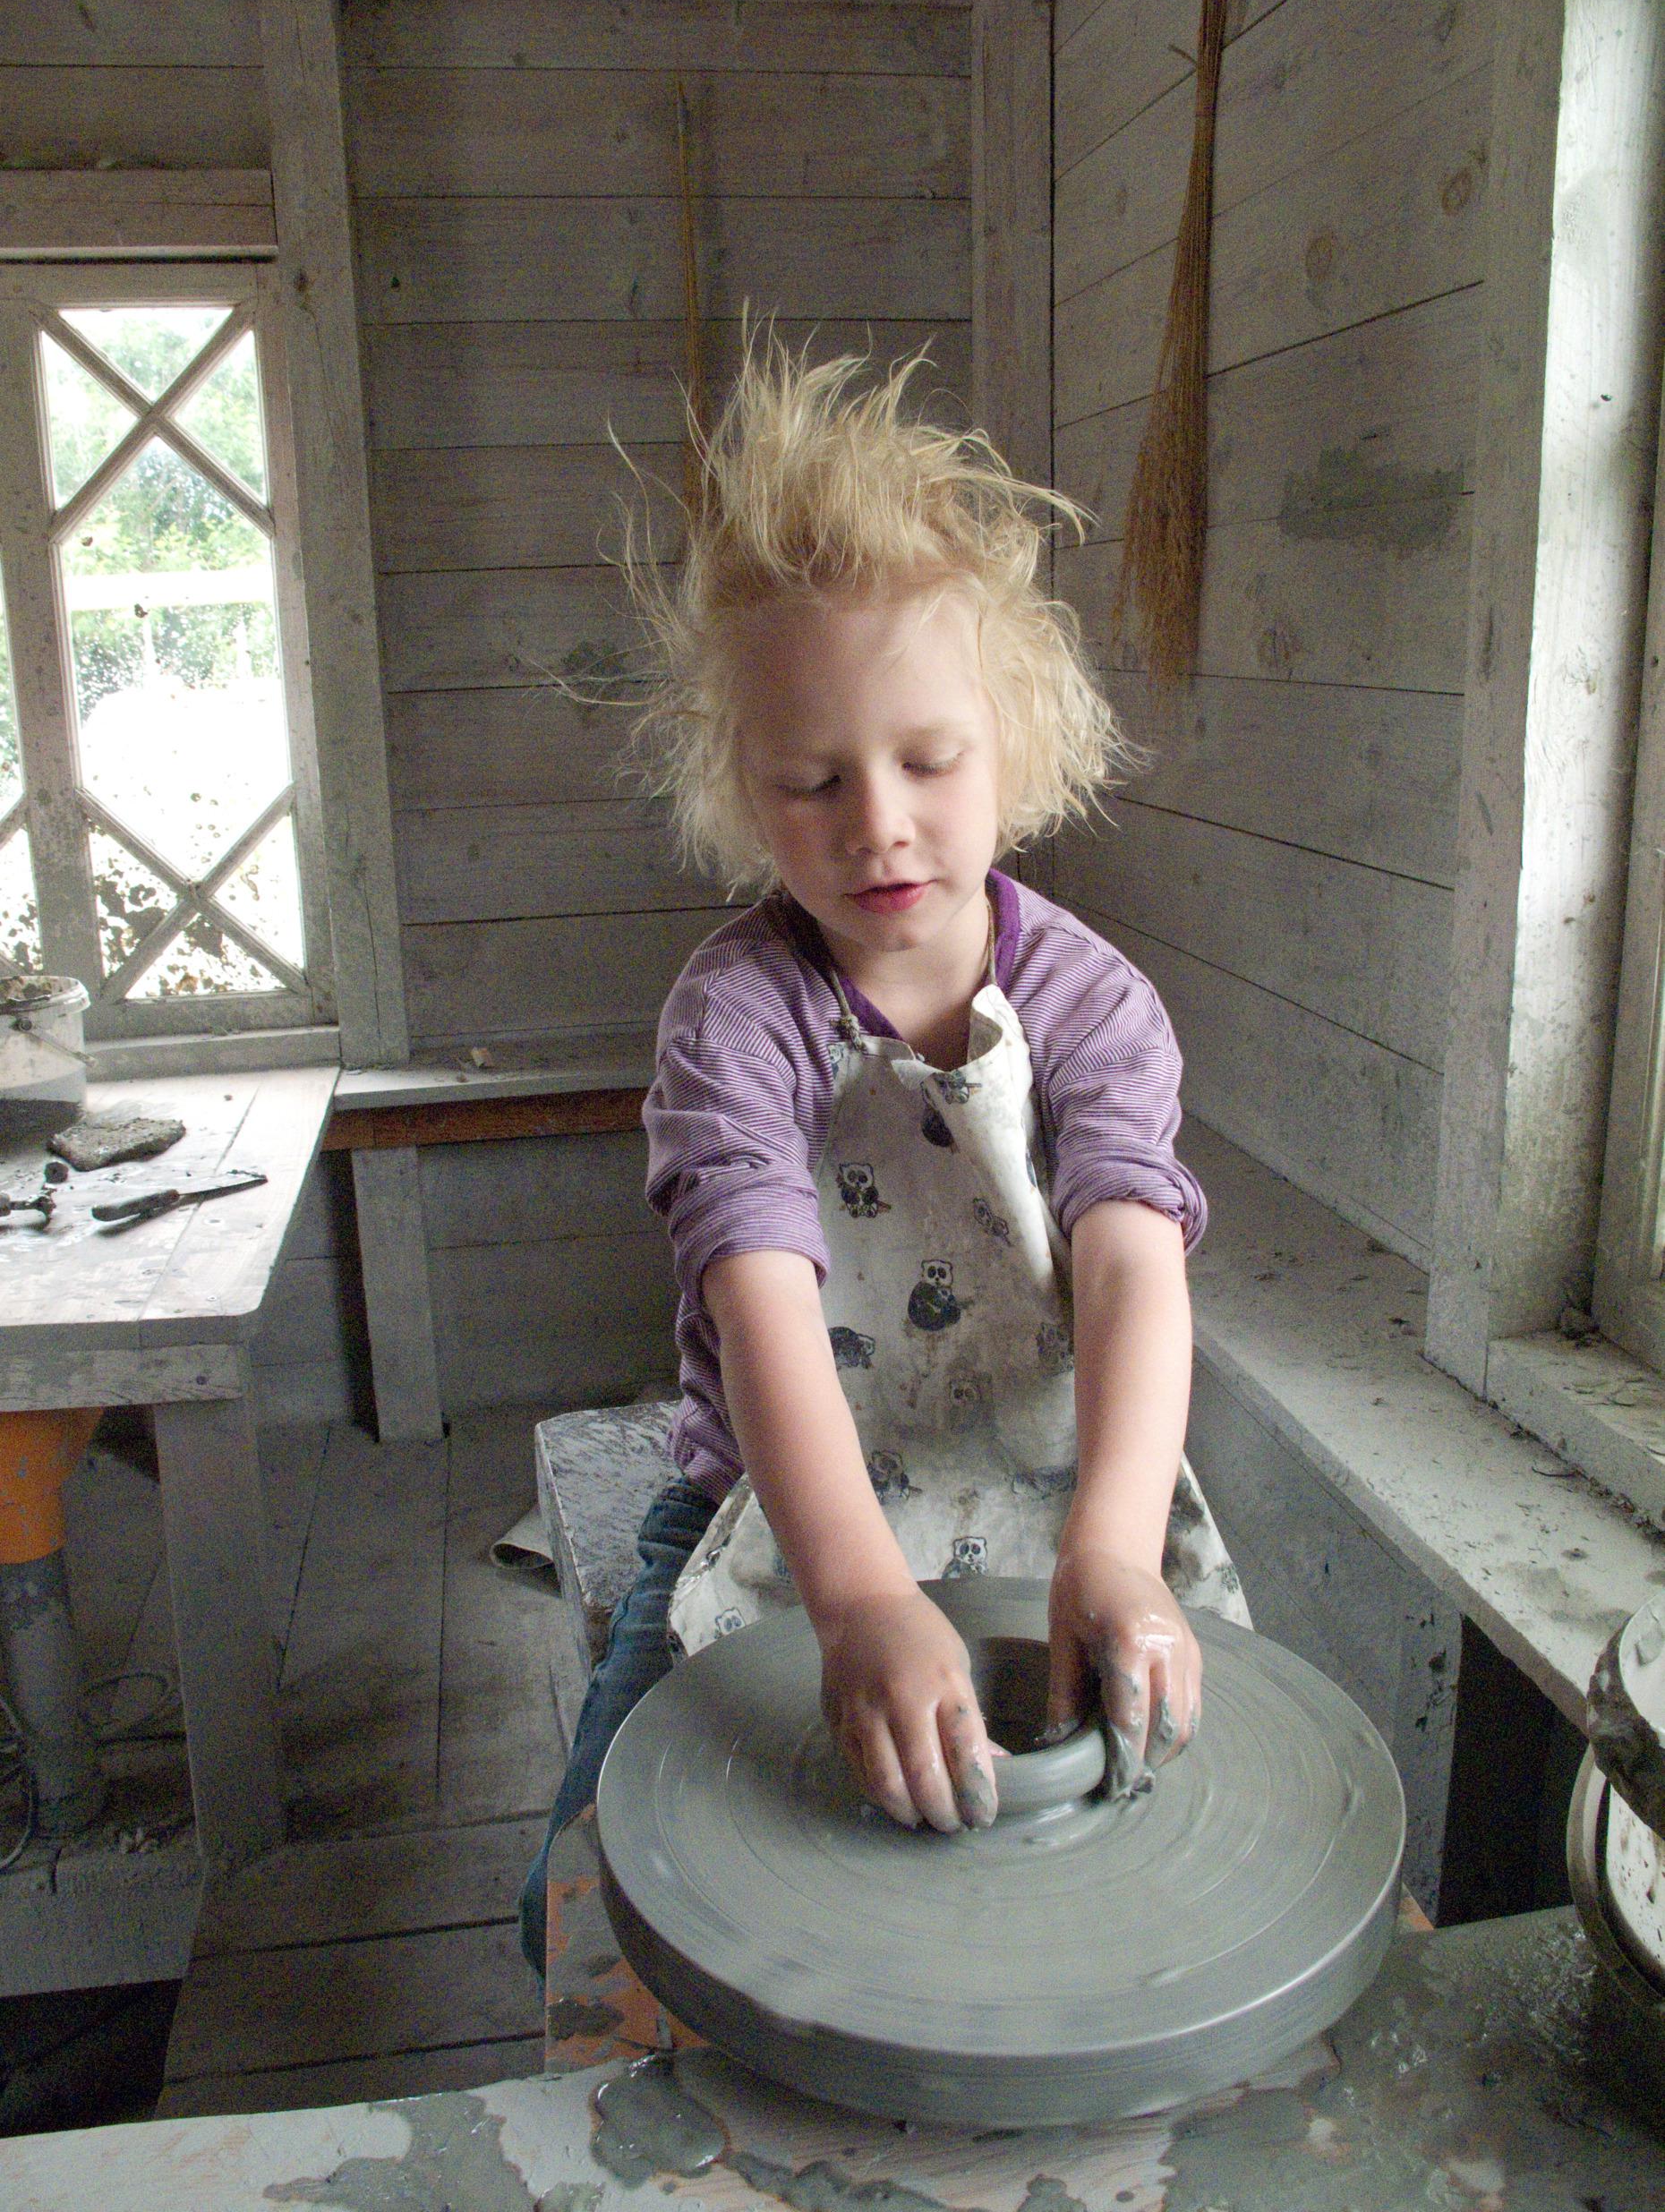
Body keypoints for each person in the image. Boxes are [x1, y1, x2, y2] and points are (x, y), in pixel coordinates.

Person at [520, 337, 1246, 1975]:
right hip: (778, 1515)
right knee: (596, 1907)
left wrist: (1117, 1553)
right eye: (814, 779)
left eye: (930, 761)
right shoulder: (736, 1017)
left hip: (1062, 1486)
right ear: (742, 790)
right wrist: (851, 1600)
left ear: (1021, 746)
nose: (880, 825)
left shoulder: (1093, 1004)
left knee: (1132, 1898)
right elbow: (761, 1300)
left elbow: (1135, 1265)